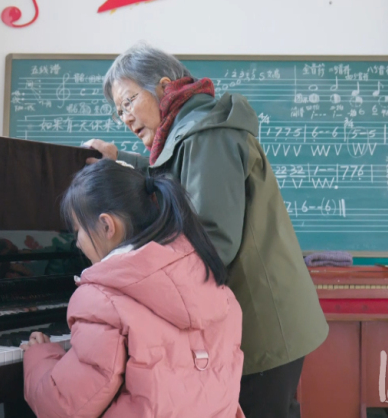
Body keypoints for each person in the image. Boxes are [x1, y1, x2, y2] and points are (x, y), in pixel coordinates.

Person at [84, 42, 329, 418]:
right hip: (257, 316)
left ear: (163, 87)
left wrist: (135, 280)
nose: (126, 118)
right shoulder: (192, 130)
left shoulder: (206, 134)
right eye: (119, 112)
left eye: (129, 102)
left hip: (260, 322)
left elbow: (214, 240)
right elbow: (171, 169)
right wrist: (119, 160)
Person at [21, 159, 245, 417]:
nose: (78, 243)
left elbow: (64, 407)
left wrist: (40, 358)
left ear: (107, 226)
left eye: (78, 230)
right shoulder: (217, 288)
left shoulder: (101, 300)